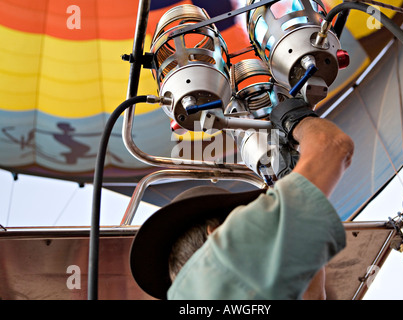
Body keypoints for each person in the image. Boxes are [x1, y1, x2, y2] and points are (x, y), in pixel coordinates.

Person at [130, 97, 354, 300]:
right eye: (244, 217)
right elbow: (331, 144)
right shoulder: (225, 256)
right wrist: (294, 119)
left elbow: (310, 292)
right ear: (217, 234)